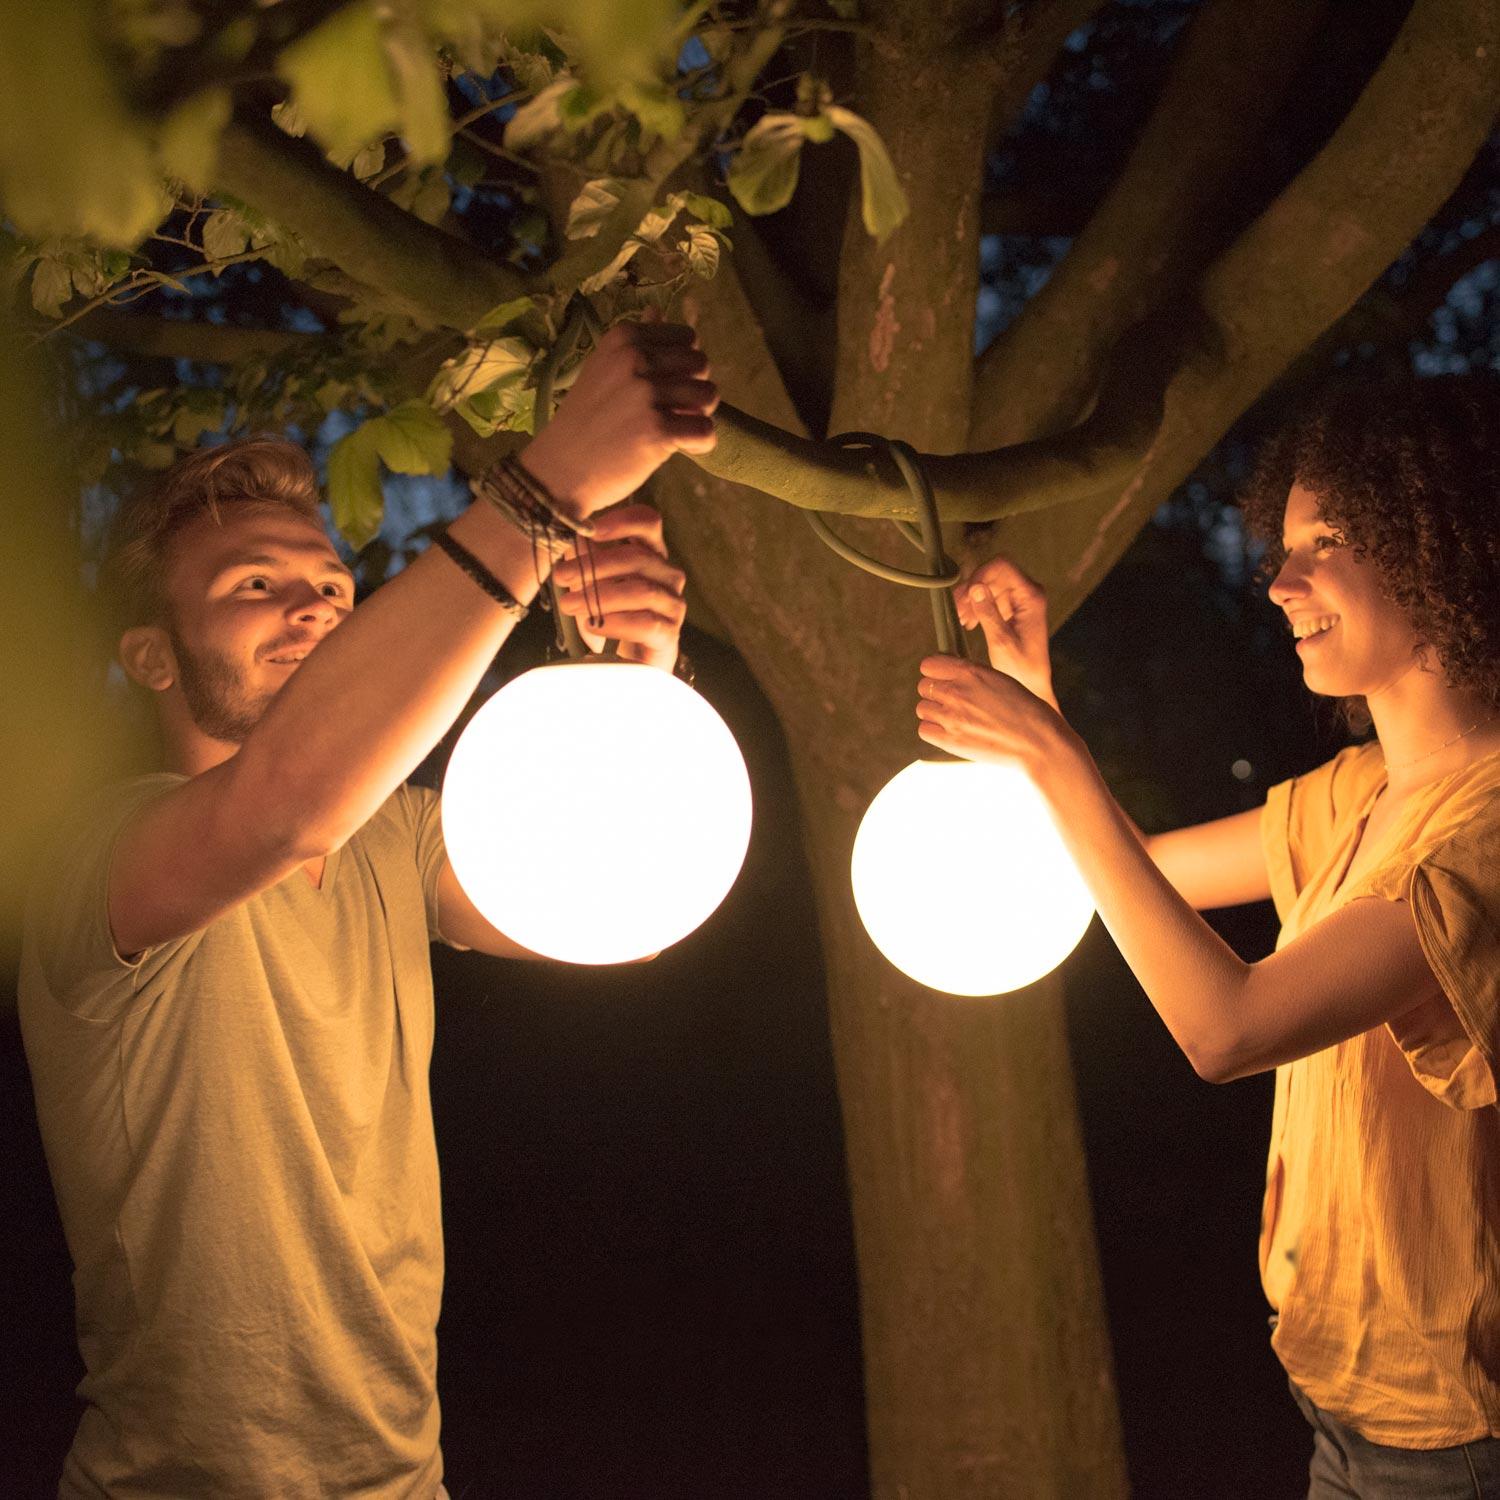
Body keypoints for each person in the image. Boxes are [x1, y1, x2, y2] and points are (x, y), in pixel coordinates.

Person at [18, 318, 718, 1498]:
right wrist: (544, 493)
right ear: (150, 657)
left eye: (334, 588)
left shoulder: (403, 840)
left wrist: (634, 671)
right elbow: (279, 804)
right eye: (255, 587)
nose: (312, 609)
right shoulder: (99, 863)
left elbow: (623, 910)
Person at [915, 373, 1500, 1498]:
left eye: (1326, 541)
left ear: (1438, 542)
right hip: (1338, 1394)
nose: (1281, 582)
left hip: (1454, 1438)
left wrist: (1051, 757)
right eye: (1282, 547)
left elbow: (1226, 1030)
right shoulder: (1358, 794)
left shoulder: (1478, 846)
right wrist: (1031, 686)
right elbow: (1132, 881)